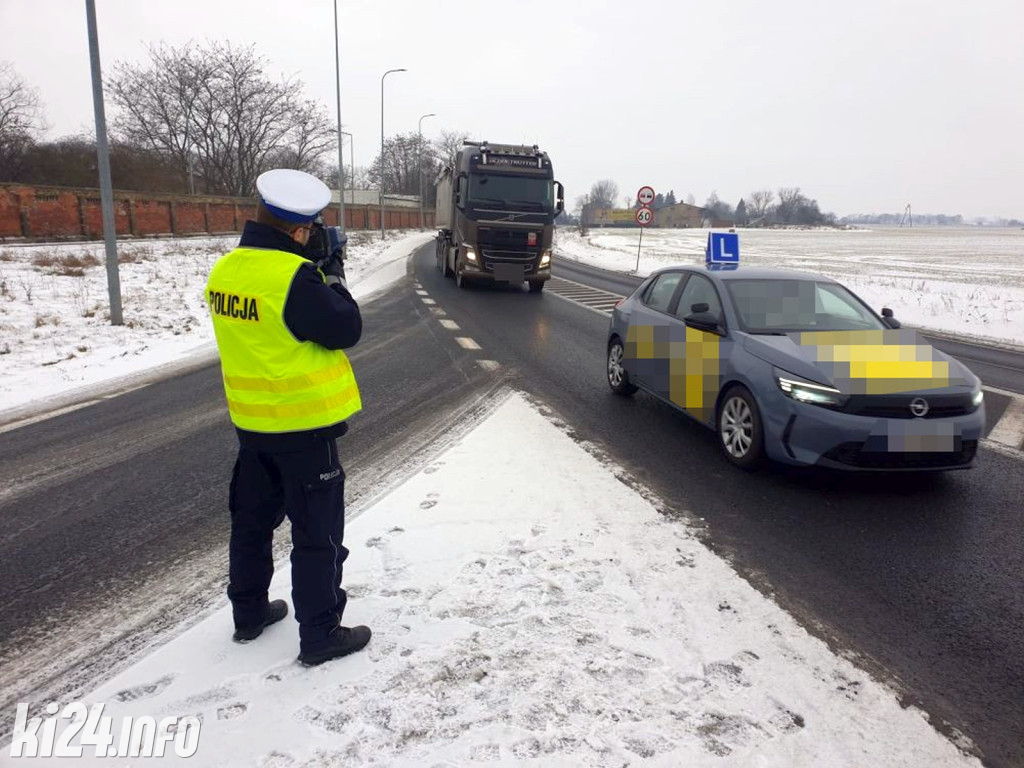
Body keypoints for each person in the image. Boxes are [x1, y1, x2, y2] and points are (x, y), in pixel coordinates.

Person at [205, 168, 371, 666]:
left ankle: (249, 613)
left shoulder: (225, 271)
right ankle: (321, 635)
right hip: (304, 430)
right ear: (300, 231)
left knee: (252, 522)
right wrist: (332, 274)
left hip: (252, 427)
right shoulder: (294, 279)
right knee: (316, 536)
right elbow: (346, 327)